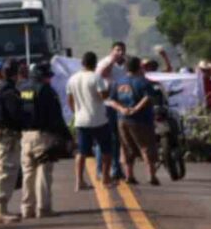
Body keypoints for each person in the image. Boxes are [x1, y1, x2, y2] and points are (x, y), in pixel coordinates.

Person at [19, 62, 70, 218]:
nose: (50, 79)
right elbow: (56, 117)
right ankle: (43, 208)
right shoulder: (46, 91)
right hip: (43, 136)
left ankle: (27, 209)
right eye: (48, 76)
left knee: (28, 173)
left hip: (25, 136)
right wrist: (66, 136)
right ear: (43, 77)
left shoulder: (22, 89)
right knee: (43, 173)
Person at [108, 56, 160, 186]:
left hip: (122, 119)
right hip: (141, 120)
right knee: (146, 147)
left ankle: (129, 175)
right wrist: (136, 109)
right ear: (139, 67)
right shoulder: (143, 82)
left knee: (126, 147)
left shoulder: (118, 82)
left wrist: (122, 109)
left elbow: (111, 100)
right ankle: (151, 176)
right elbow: (149, 97)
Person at [67, 51, 113, 190]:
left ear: (82, 63)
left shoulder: (73, 79)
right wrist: (108, 87)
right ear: (95, 63)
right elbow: (103, 96)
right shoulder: (96, 78)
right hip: (98, 119)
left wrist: (76, 112)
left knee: (81, 152)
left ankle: (79, 181)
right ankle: (105, 179)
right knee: (106, 150)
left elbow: (70, 100)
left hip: (81, 120)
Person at [0, 63, 24, 224]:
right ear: (16, 75)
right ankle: (0, 211)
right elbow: (16, 114)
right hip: (9, 135)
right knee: (6, 170)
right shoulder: (10, 92)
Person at [95, 41, 128, 182]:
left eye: (122, 50)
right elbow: (100, 75)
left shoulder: (126, 64)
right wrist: (111, 61)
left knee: (117, 138)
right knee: (105, 138)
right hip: (107, 104)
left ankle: (116, 168)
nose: (120, 53)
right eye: (117, 50)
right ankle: (100, 169)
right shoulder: (105, 62)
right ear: (112, 51)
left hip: (121, 103)